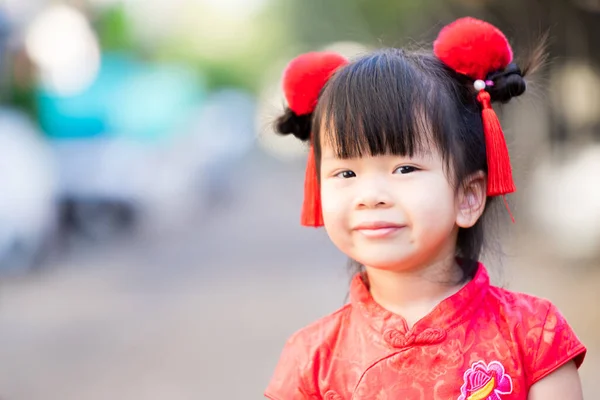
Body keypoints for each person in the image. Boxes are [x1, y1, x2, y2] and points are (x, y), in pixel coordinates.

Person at [264, 17, 587, 400]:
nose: (370, 195)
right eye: (346, 172)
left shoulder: (534, 336)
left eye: (404, 168)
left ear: (468, 197)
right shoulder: (310, 361)